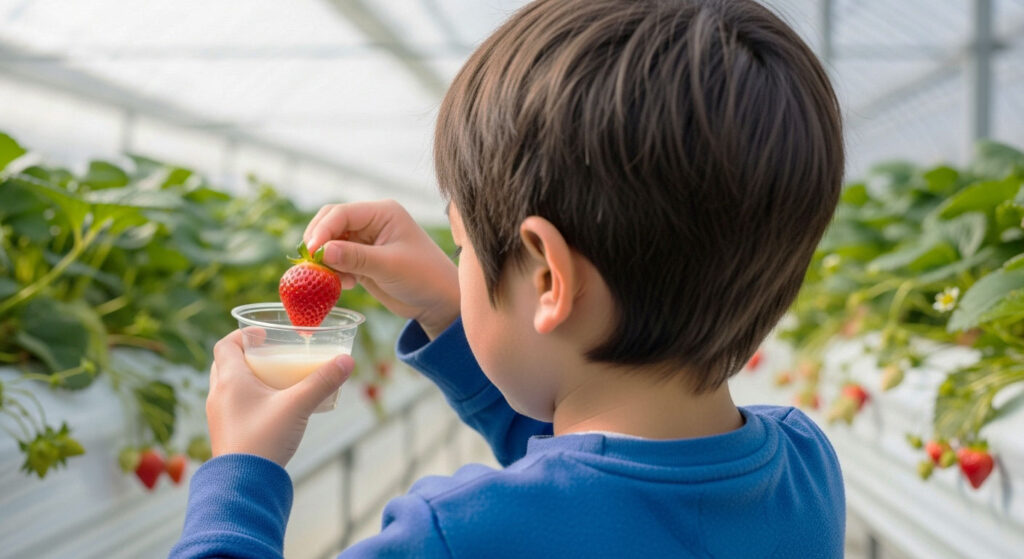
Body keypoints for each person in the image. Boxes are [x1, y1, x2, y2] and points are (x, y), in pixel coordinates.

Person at [170, 0, 846, 556]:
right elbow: (600, 495)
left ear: (549, 277)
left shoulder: (452, 537)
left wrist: (241, 472)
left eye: (462, 246)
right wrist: (452, 309)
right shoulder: (806, 468)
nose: (460, 267)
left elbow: (566, 496)